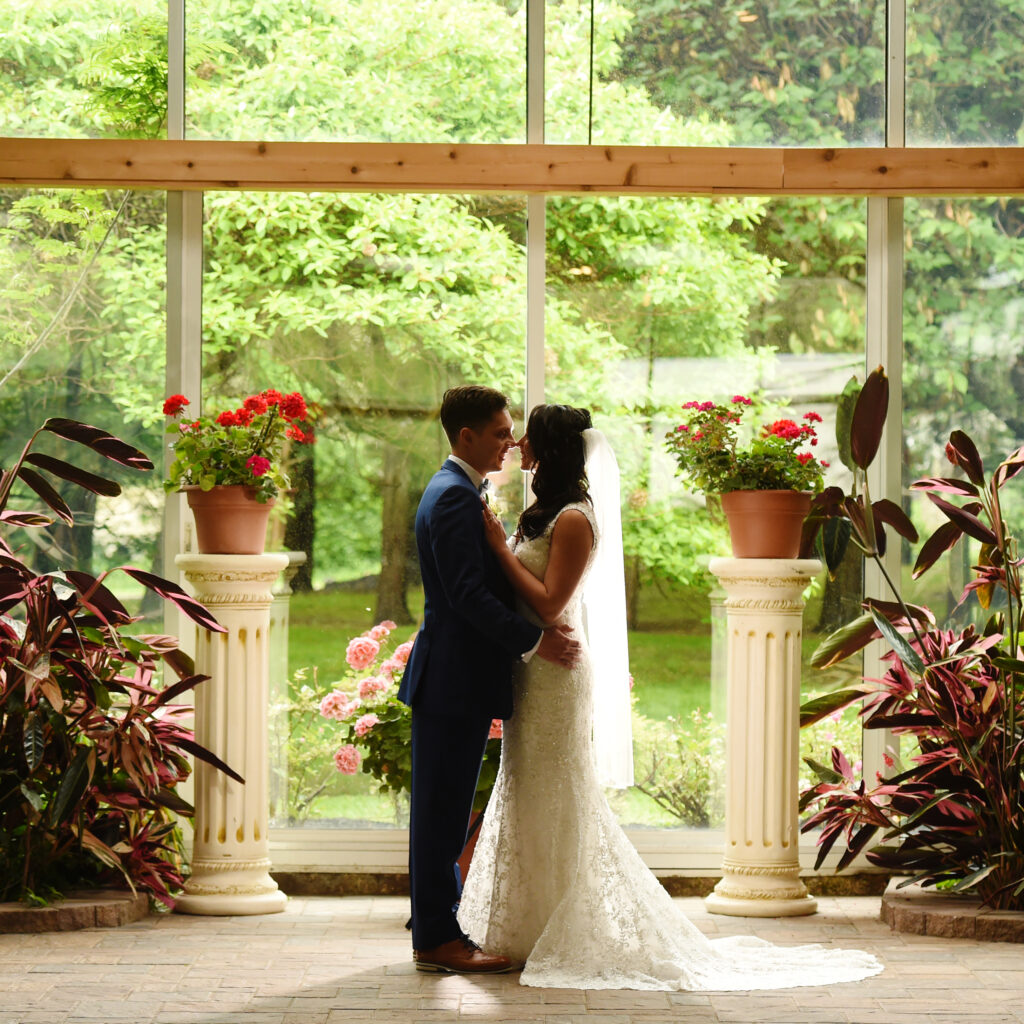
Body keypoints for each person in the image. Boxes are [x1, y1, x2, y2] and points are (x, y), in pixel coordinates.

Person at [457, 403, 884, 991]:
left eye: (530, 437)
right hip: (533, 670)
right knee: (529, 789)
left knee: (556, 793)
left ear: (552, 450)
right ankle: (526, 925)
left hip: (557, 678)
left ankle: (560, 925)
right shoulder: (540, 514)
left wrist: (498, 550)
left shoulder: (577, 519)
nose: (520, 445)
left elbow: (552, 604)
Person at [398, 385, 581, 976]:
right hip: (453, 680)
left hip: (459, 679)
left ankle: (438, 928)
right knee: (441, 815)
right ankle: (436, 940)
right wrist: (534, 641)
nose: (511, 442)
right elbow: (466, 596)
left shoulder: (461, 490)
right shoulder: (452, 496)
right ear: (466, 436)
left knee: (444, 811)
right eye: (501, 433)